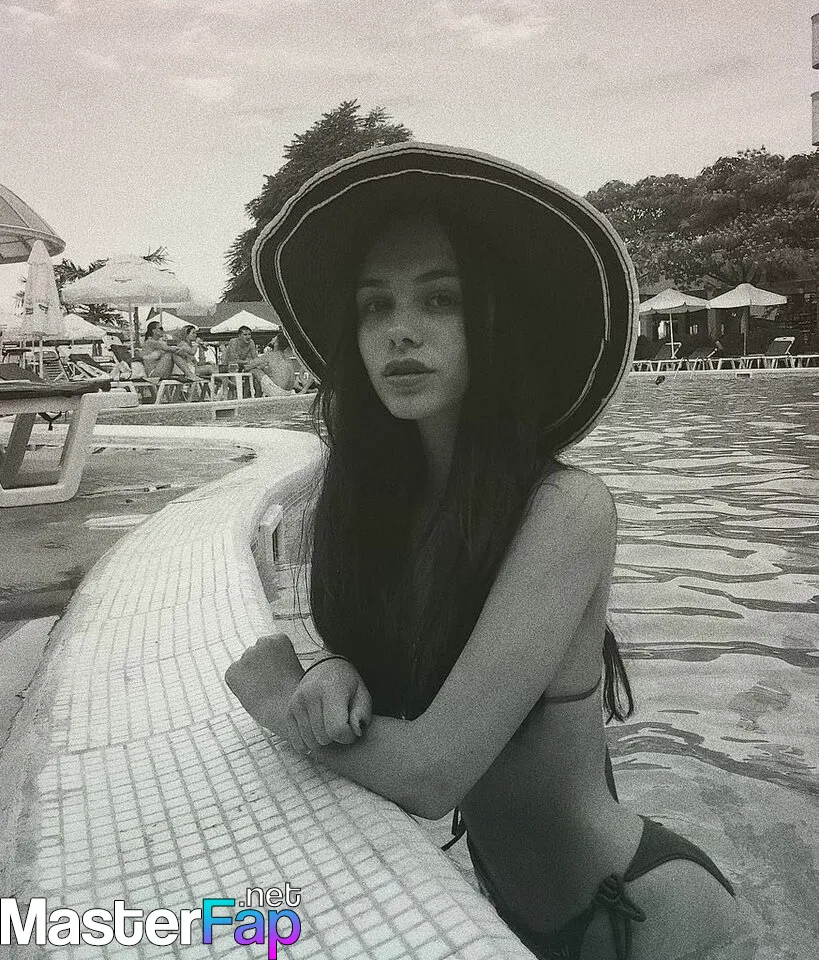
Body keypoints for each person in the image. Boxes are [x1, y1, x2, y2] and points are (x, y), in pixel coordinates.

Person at [225, 144, 745, 960]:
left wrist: (275, 697)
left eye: (441, 300)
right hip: (500, 906)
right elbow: (408, 682)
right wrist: (334, 670)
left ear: (496, 321)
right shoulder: (378, 514)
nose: (399, 330)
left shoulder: (565, 509)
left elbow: (433, 773)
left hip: (639, 918)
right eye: (374, 306)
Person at [244, 331, 296, 396]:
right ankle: (257, 395)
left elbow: (247, 366)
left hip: (277, 391)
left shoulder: (270, 355)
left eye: (274, 338)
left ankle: (246, 395)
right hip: (289, 391)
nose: (272, 338)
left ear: (276, 343)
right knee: (263, 370)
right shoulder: (287, 357)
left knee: (255, 371)